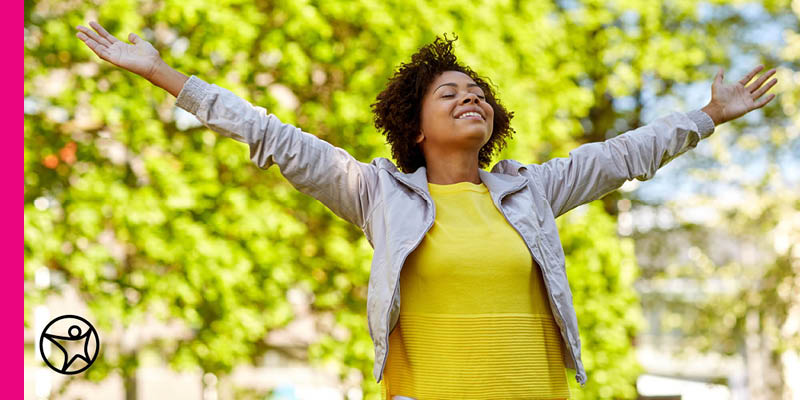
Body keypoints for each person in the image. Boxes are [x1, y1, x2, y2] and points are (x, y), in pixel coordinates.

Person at [76, 21, 778, 400]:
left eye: (478, 92)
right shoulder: (375, 194)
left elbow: (625, 154)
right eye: (450, 93)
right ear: (415, 126)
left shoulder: (533, 193)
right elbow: (270, 134)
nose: (470, 96)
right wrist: (158, 72)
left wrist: (710, 115)